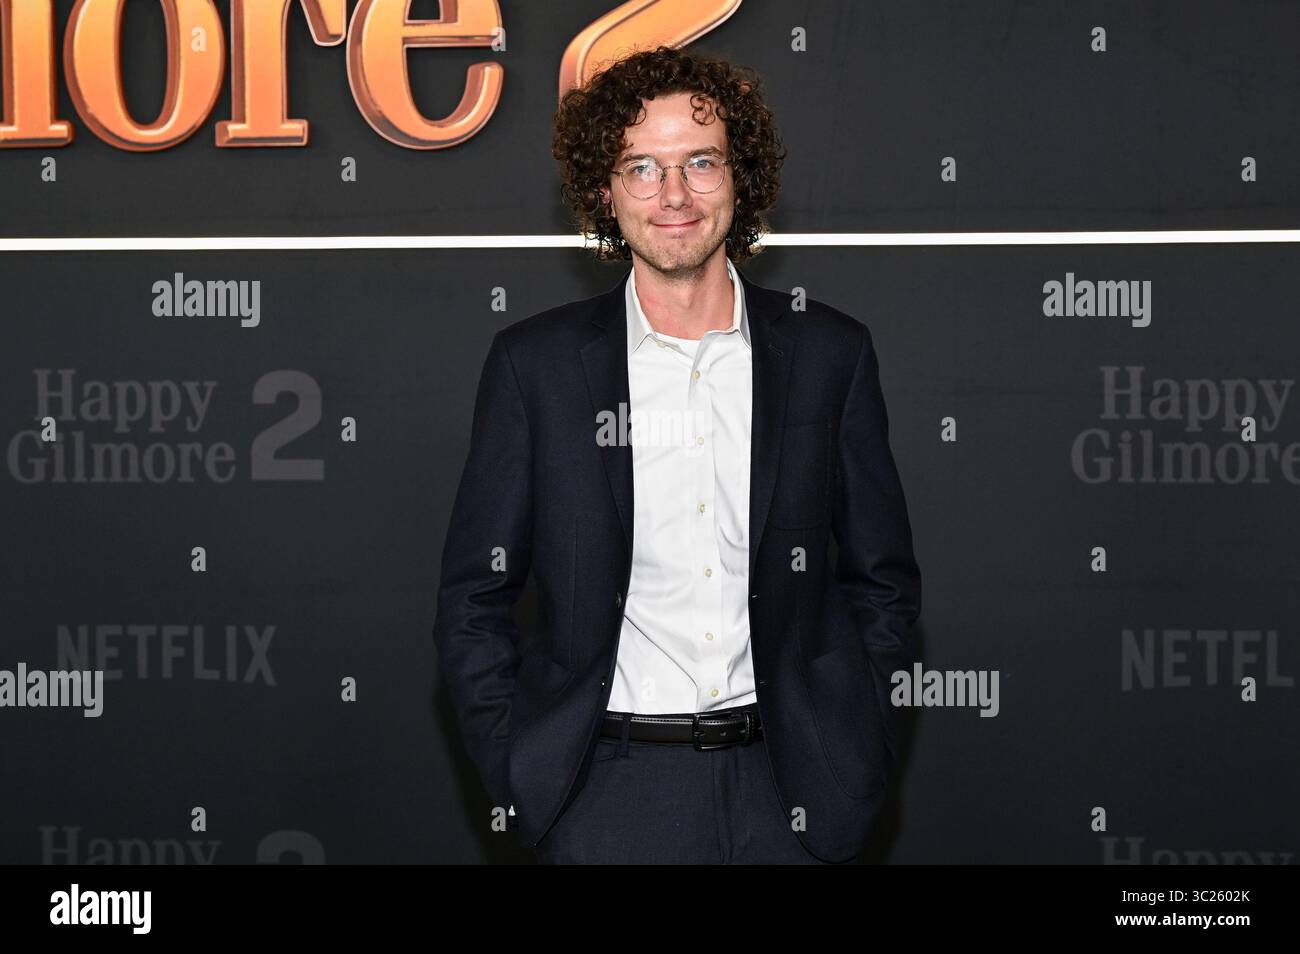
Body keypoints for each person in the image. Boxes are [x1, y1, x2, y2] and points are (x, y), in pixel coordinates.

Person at [432, 45, 921, 864]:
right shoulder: (536, 368)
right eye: (641, 168)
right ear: (604, 191)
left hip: (794, 794)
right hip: (603, 797)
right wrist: (527, 771)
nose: (674, 196)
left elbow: (883, 580)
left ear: (742, 177)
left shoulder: (830, 355)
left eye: (700, 162)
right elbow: (474, 600)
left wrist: (855, 748)